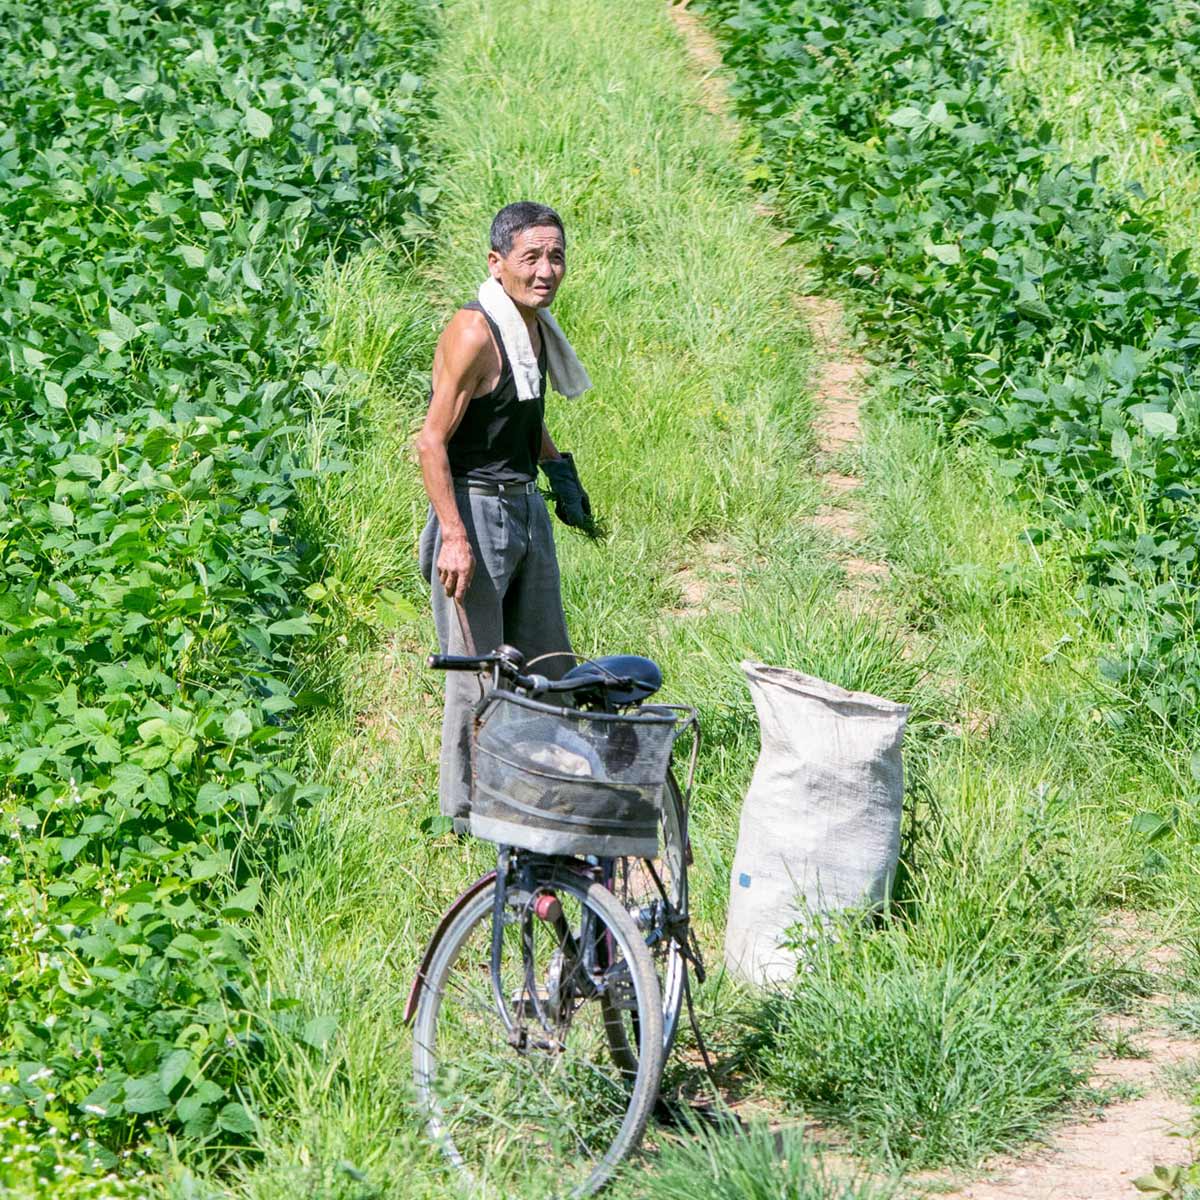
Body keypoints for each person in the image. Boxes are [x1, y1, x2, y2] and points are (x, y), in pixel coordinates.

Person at [416, 201, 596, 828]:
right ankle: (469, 814)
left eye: (557, 257)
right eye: (532, 258)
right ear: (497, 264)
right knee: (477, 671)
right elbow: (431, 440)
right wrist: (455, 538)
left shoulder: (532, 327)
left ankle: (539, 793)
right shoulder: (474, 332)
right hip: (476, 513)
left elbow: (521, 409)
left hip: (522, 504)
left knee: (548, 663)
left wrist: (558, 471)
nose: (546, 270)